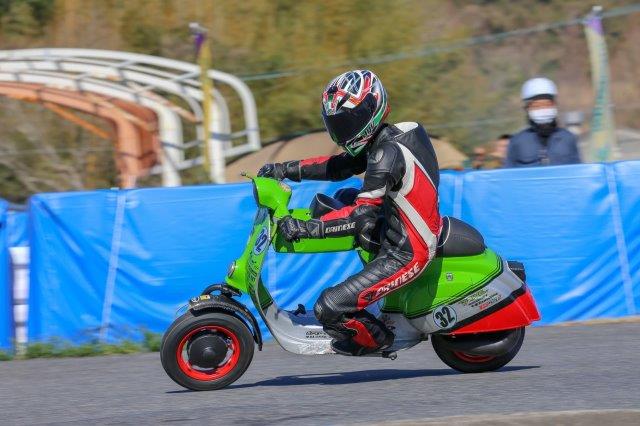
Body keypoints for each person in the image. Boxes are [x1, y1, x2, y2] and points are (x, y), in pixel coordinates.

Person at [257, 70, 441, 356]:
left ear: (371, 110)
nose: (343, 131)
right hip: (393, 227)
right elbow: (337, 166)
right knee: (341, 197)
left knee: (329, 307)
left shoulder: (386, 155)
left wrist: (307, 229)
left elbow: (360, 217)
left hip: (406, 253)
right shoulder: (385, 140)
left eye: (348, 122)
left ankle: (380, 339)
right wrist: (284, 169)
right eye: (337, 124)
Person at [505, 77, 581, 167]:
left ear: (555, 105)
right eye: (536, 106)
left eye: (547, 105)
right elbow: (509, 172)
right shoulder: (517, 141)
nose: (543, 110)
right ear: (527, 109)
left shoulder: (567, 138)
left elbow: (578, 170)